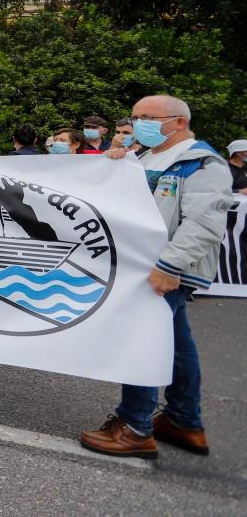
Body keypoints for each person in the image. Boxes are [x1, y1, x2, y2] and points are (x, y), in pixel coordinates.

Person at [80, 95, 232, 459]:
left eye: (148, 117)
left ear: (179, 122)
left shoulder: (201, 163)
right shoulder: (147, 157)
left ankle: (134, 426)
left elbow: (204, 225)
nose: (138, 122)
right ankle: (183, 420)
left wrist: (170, 266)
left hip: (165, 269)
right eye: (135, 116)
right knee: (177, 341)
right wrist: (112, 159)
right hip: (144, 267)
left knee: (140, 338)